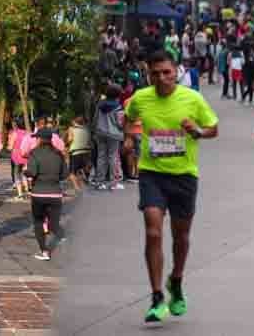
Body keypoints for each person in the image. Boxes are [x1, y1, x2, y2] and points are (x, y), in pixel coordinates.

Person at [125, 50, 218, 323]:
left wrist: (198, 132)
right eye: (155, 73)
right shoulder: (141, 98)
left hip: (184, 175)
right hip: (151, 173)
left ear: (176, 71)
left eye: (166, 72)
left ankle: (175, 281)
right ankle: (156, 297)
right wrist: (130, 137)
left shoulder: (193, 99)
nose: (162, 78)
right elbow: (129, 117)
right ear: (148, 74)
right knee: (153, 232)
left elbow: (213, 128)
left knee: (181, 237)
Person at [25, 128, 69, 261]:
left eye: (37, 138)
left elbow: (32, 172)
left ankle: (44, 251)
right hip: (55, 194)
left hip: (39, 194)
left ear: (40, 139)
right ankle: (64, 239)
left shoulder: (34, 153)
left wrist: (25, 172)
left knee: (38, 223)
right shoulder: (59, 154)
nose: (36, 140)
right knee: (53, 224)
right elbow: (64, 175)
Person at [93, 84, 125, 190]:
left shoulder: (99, 105)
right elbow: (120, 123)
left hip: (100, 133)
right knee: (113, 157)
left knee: (101, 157)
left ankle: (99, 182)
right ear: (117, 94)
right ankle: (113, 183)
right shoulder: (118, 106)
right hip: (114, 134)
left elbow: (95, 119)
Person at [66, 116, 92, 191]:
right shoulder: (87, 129)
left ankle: (77, 188)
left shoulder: (72, 129)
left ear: (75, 122)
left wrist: (66, 144)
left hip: (75, 152)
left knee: (72, 173)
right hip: (86, 152)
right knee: (84, 168)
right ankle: (85, 180)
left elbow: (70, 139)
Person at [8, 117, 30, 201]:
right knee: (24, 174)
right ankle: (27, 191)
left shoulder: (15, 133)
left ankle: (20, 194)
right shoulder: (27, 133)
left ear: (16, 124)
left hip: (16, 156)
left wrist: (9, 147)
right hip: (25, 156)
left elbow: (10, 147)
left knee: (17, 174)